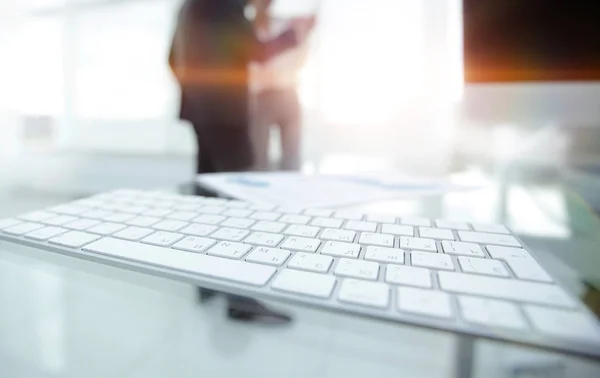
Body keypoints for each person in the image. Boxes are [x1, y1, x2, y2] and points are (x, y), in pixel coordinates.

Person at [169, 0, 311, 174]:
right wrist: (292, 36)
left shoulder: (190, 5)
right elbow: (257, 51)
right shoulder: (227, 7)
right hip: (226, 113)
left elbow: (171, 59)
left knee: (208, 179)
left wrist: (195, 91)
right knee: (241, 180)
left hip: (197, 110)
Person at [250, 1, 316, 171]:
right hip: (261, 97)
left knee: (291, 159)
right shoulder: (249, 28)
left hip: (289, 94)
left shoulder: (288, 25)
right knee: (258, 159)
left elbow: (301, 56)